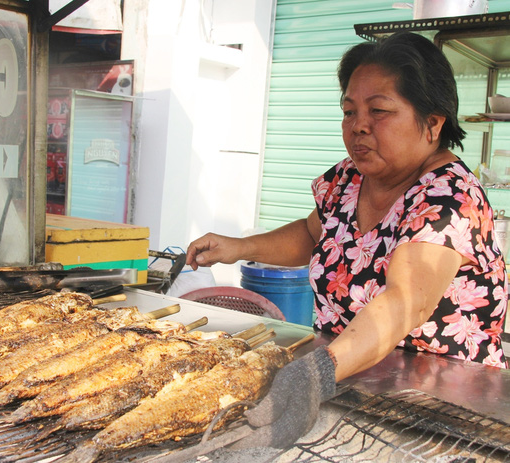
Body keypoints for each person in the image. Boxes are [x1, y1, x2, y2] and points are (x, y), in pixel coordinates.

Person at [186, 31, 508, 449]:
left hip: (438, 410)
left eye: (379, 111)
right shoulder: (350, 178)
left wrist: (319, 369)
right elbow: (312, 234)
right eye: (349, 111)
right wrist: (241, 246)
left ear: (432, 123)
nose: (359, 126)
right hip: (349, 384)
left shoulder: (449, 200)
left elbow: (402, 303)